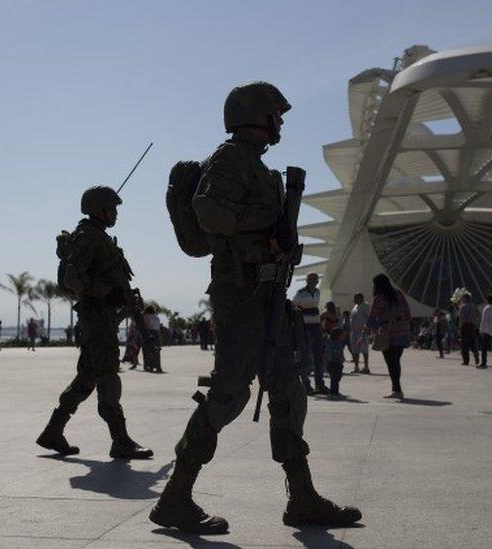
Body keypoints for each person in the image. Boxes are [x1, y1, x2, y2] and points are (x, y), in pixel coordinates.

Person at [150, 82, 360, 534]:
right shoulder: (231, 159)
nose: (280, 122)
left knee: (288, 393)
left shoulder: (259, 168)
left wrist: (280, 246)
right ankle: (175, 497)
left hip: (267, 298)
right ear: (256, 116)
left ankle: (301, 496)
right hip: (241, 297)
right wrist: (263, 223)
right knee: (229, 394)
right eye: (275, 115)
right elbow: (209, 213)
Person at [36, 185, 152, 461]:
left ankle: (53, 431)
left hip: (102, 316)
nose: (115, 214)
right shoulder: (89, 237)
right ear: (98, 209)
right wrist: (106, 292)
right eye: (111, 209)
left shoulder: (98, 236)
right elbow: (72, 279)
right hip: (96, 316)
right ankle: (120, 440)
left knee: (87, 377)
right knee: (109, 374)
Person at [366, 274, 411, 398]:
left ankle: (397, 390)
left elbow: (371, 318)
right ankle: (396, 389)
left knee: (391, 362)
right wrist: (406, 326)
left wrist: (376, 330)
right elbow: (407, 312)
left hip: (388, 332)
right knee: (396, 361)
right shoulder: (398, 294)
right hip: (402, 330)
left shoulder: (379, 298)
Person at [292, 272, 327, 394]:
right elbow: (294, 305)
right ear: (307, 281)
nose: (314, 281)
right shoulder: (301, 293)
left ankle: (319, 384)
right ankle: (306, 384)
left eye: (316, 279)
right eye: (312, 279)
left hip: (316, 326)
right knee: (305, 356)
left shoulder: (317, 292)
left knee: (318, 356)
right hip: (305, 327)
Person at [350, 293, 370, 373]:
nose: (354, 299)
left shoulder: (365, 305)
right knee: (355, 350)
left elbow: (369, 318)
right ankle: (356, 366)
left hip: (362, 332)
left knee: (364, 350)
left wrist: (366, 330)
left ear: (360, 298)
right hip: (354, 332)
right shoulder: (355, 307)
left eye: (355, 298)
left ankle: (366, 367)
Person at [458, 293, 480, 366]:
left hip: (465, 326)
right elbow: (478, 316)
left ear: (465, 299)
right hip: (472, 325)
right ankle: (476, 354)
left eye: (462, 298)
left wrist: (460, 327)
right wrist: (476, 324)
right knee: (472, 342)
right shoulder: (474, 306)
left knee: (464, 344)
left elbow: (461, 318)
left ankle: (466, 361)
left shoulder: (463, 307)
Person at [326, 327, 347, 398]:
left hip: (335, 362)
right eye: (342, 335)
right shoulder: (334, 343)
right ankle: (334, 392)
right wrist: (342, 359)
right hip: (334, 362)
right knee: (334, 378)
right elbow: (337, 353)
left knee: (336, 378)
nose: (343, 337)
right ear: (338, 335)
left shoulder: (337, 342)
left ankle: (334, 391)